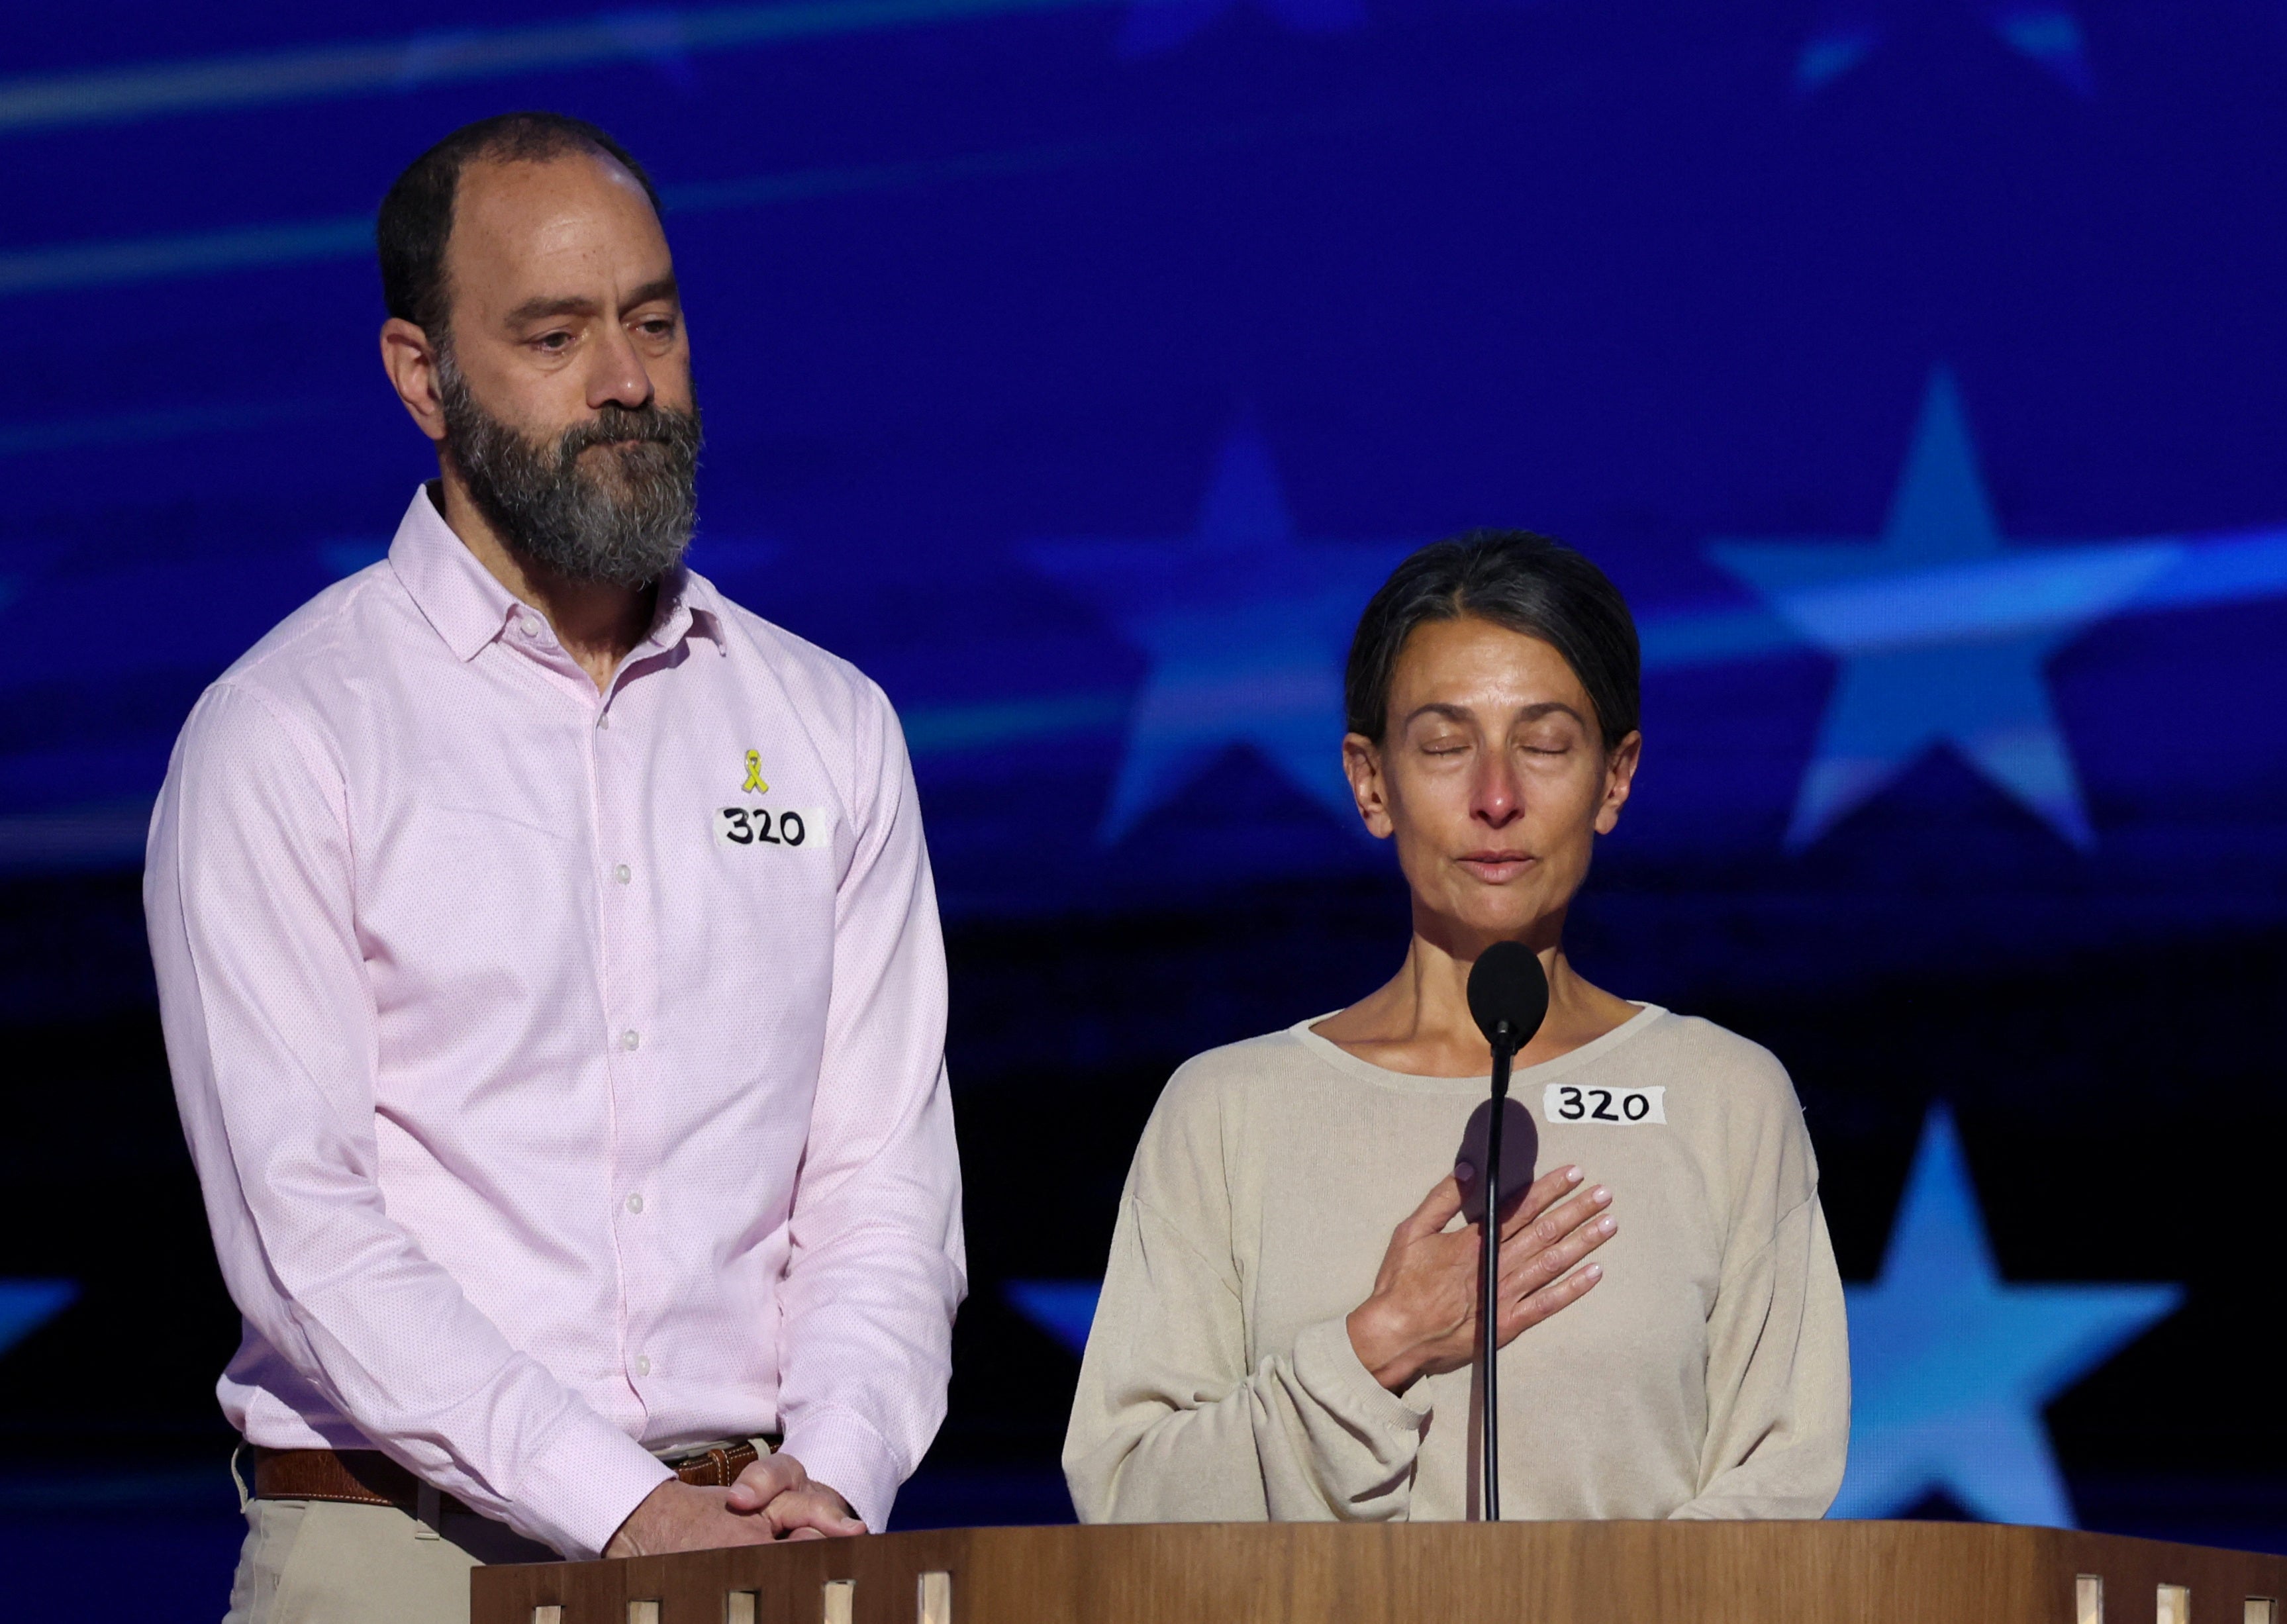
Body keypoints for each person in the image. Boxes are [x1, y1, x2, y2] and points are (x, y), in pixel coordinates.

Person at [144, 113, 965, 1622]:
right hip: (403, 1557)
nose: (629, 382)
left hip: (770, 1548)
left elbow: (880, 1185)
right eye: (554, 333)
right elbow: (301, 1233)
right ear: (421, 377)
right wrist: (621, 1506)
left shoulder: (830, 724)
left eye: (653, 320)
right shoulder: (285, 733)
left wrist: (840, 1471)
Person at [1061, 530, 1848, 1521]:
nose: (1496, 798)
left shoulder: (1726, 1098)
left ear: (1616, 777)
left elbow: (1779, 1490)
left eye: (1547, 745)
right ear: (1370, 781)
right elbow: (1128, 1497)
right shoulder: (1225, 1111)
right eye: (1442, 747)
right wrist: (1372, 1348)